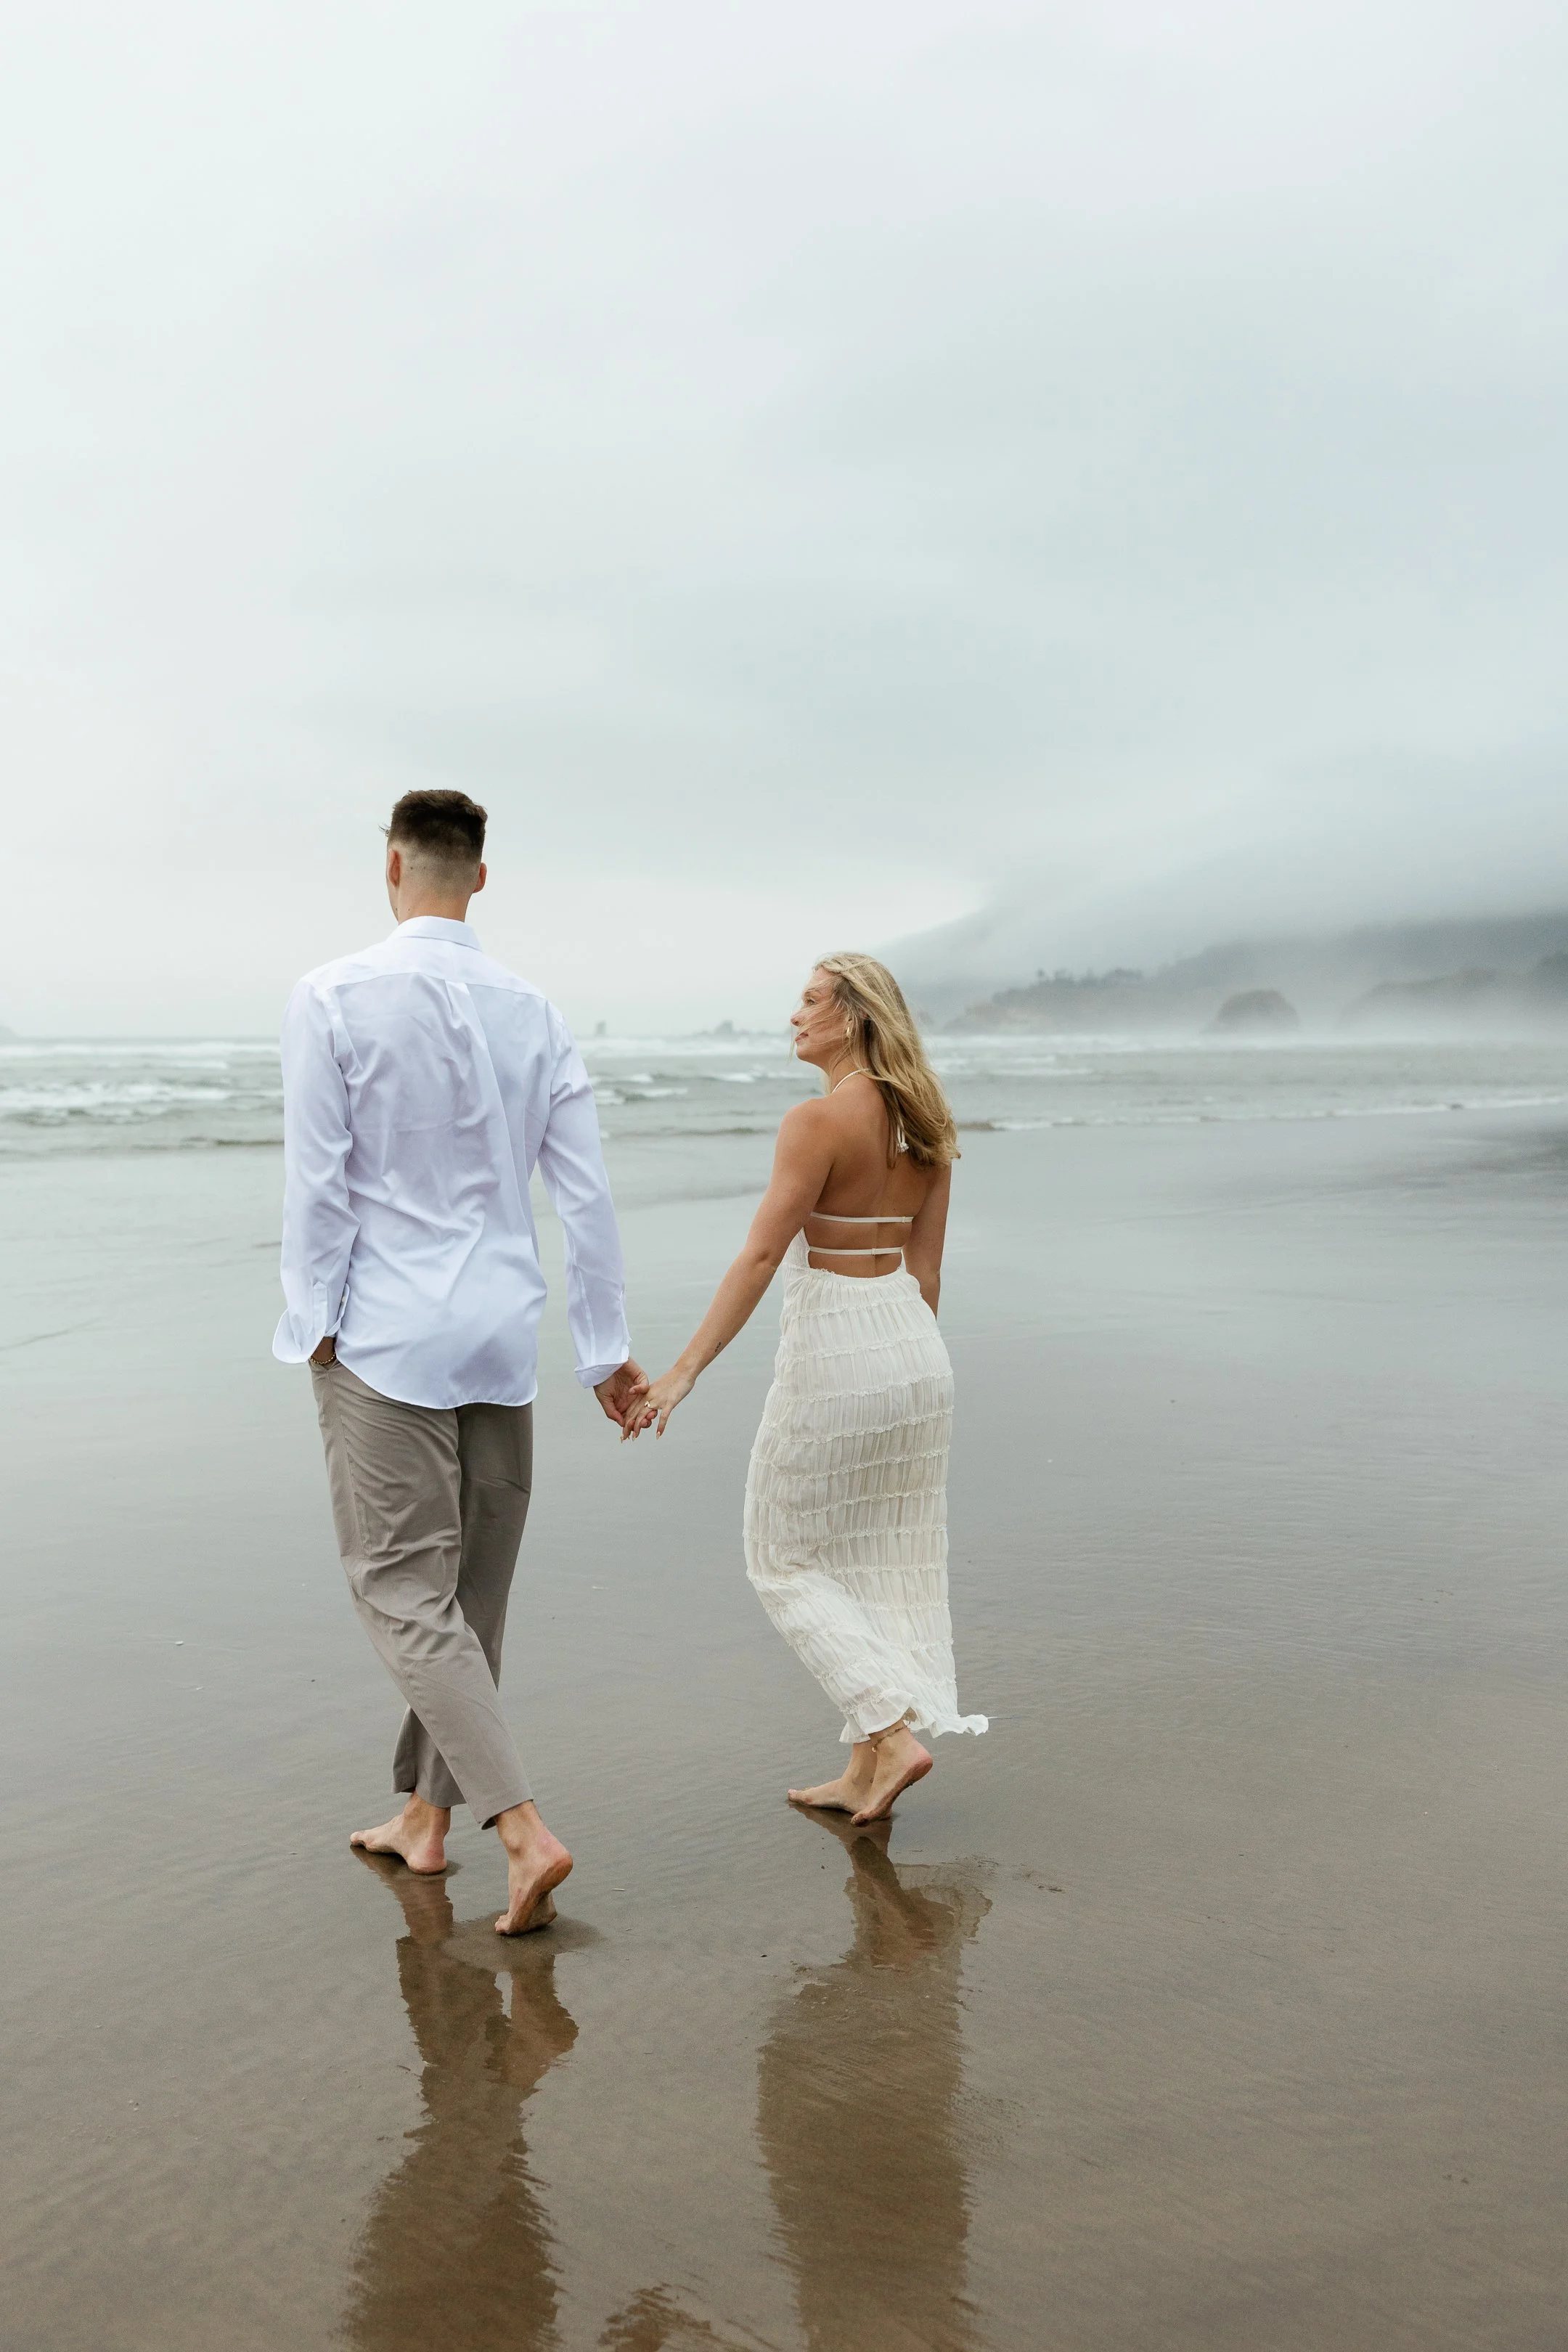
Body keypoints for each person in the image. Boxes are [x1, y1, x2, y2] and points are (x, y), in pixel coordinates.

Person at [274, 789, 646, 1934]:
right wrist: (604, 1351)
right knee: (470, 1599)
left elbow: (318, 1184)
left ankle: (522, 1831)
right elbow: (585, 1196)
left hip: (386, 1335)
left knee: (401, 1590)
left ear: (392, 867)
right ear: (479, 877)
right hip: (500, 1336)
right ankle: (423, 1823)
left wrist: (310, 1320)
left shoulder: (331, 995)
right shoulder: (534, 1010)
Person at [626, 953, 986, 1822]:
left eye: (811, 1000)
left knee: (781, 1560)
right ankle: (865, 1770)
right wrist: (903, 1369)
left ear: (854, 1016)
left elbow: (759, 1257)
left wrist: (682, 1372)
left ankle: (890, 1734)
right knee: (871, 1556)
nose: (795, 1015)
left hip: (839, 1351)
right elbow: (927, 1272)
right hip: (914, 1349)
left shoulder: (815, 1122)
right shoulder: (928, 1121)